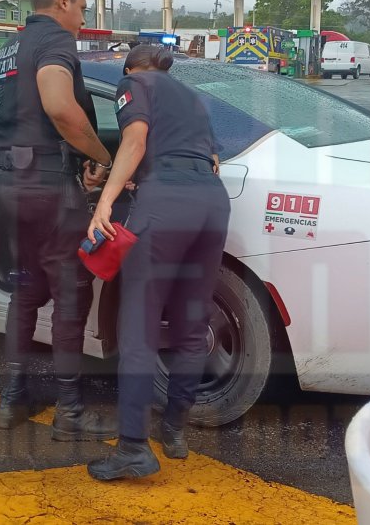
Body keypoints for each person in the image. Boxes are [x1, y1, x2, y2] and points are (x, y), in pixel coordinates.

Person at [85, 46, 231, 480]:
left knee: (138, 327)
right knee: (191, 323)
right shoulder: (190, 96)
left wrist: (105, 202)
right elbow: (209, 159)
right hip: (211, 202)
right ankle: (174, 429)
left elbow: (136, 139)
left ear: (130, 68)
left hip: (166, 202)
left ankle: (132, 447)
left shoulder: (133, 83)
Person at [0, 0, 116, 442]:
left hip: (8, 183)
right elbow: (60, 107)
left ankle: (14, 396)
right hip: (47, 187)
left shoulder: (10, 47)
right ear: (64, 0)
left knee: (24, 291)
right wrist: (102, 157)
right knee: (69, 294)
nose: (84, 18)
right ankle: (70, 409)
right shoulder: (56, 42)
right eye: (83, 7)